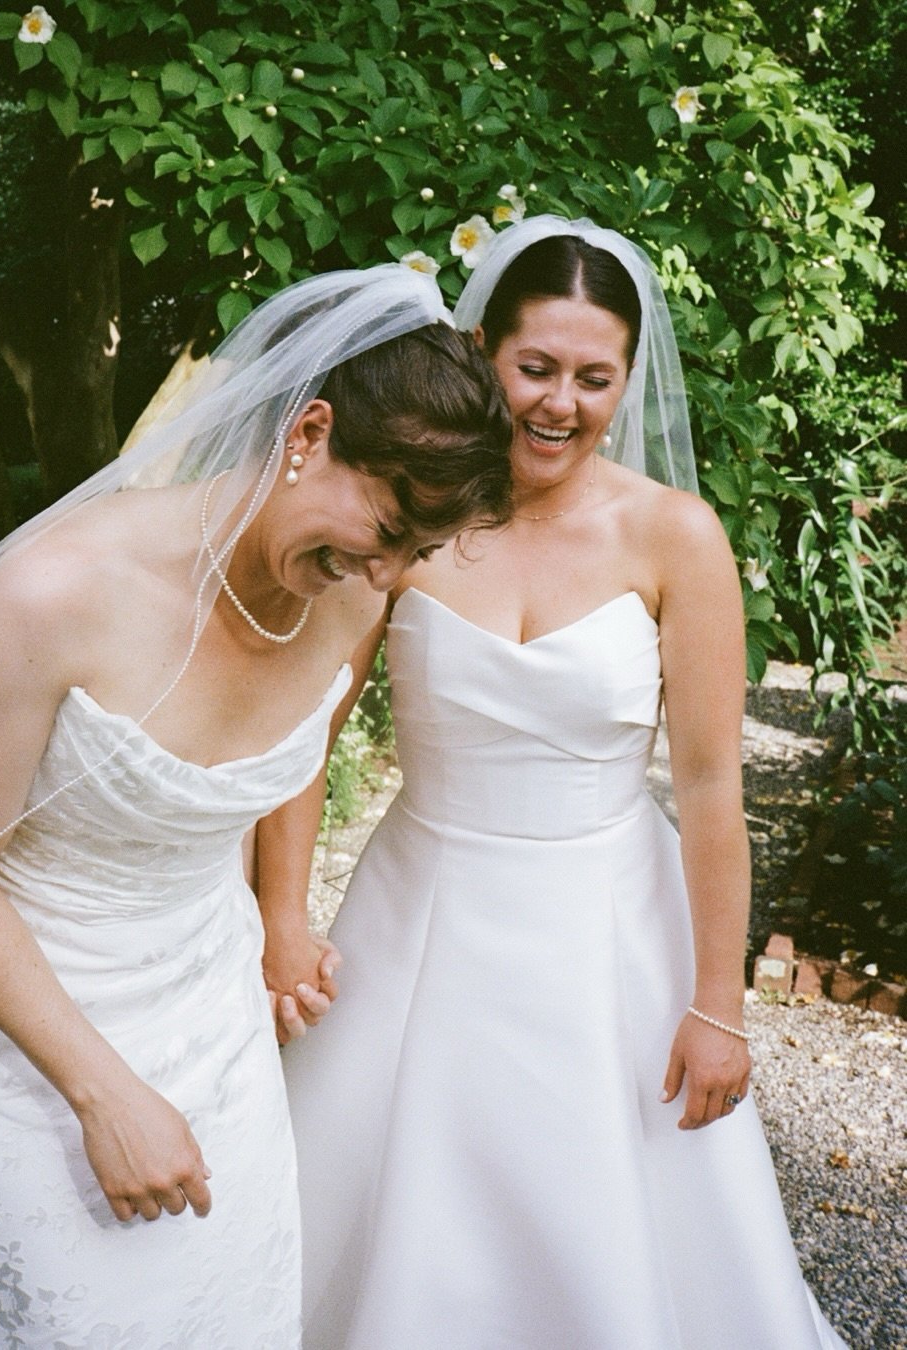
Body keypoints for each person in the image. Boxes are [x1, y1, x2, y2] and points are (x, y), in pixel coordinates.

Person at [0, 264, 512, 1345]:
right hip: (26, 1028)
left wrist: (280, 925)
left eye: (414, 554)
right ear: (310, 431)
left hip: (208, 1007)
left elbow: (272, 781)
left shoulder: (342, 600)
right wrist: (103, 1095)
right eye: (388, 527)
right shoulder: (51, 596)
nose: (385, 576)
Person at [271, 217, 849, 1347]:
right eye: (536, 368)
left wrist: (718, 1005)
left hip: (610, 928)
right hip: (419, 915)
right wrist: (281, 918)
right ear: (484, 350)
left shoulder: (675, 536)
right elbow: (307, 729)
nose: (561, 404)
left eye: (595, 378)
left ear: (627, 383)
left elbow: (711, 785)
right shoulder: (417, 506)